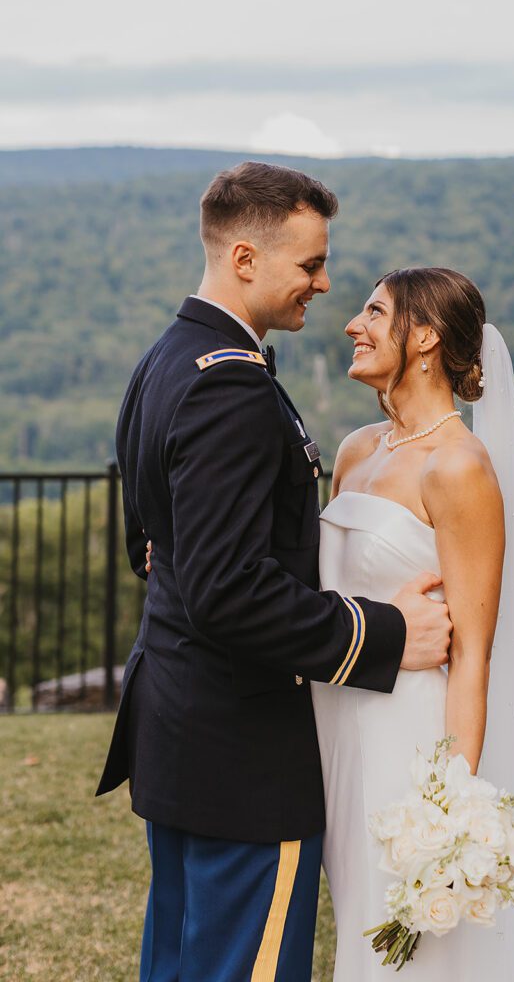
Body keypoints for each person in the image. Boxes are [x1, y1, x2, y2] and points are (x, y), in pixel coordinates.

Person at [95, 164, 453, 982]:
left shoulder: (167, 360)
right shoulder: (232, 390)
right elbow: (228, 591)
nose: (323, 285)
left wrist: (184, 573)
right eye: (310, 265)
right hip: (241, 753)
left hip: (182, 735)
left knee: (182, 964)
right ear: (246, 257)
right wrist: (388, 631)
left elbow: (149, 542)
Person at [311, 267, 514, 979]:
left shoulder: (459, 467)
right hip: (333, 733)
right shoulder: (355, 451)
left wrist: (448, 812)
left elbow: (474, 654)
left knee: (408, 952)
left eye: (374, 312)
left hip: (405, 742)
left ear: (424, 336)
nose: (353, 325)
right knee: (354, 924)